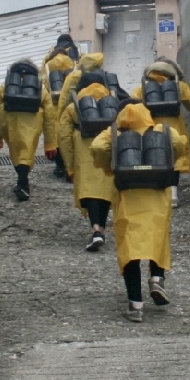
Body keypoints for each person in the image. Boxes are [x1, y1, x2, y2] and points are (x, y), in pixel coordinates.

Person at [90, 99, 188, 322]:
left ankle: (135, 305)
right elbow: (179, 144)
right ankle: (157, 279)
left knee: (130, 250)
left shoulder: (114, 133)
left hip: (128, 197)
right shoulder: (162, 130)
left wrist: (109, 165)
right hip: (157, 196)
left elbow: (97, 148)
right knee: (157, 239)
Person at [132, 57, 190, 207]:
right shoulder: (178, 85)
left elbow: (132, 105)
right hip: (173, 125)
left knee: (154, 154)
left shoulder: (143, 87)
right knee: (174, 157)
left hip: (151, 126)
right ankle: (173, 194)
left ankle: (156, 192)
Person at [57, 70, 116, 252]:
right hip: (106, 152)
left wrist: (69, 165)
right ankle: (101, 229)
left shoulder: (73, 107)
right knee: (104, 193)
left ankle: (96, 229)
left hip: (84, 155)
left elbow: (63, 137)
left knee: (90, 193)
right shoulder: (112, 104)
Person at [0, 59, 58, 201]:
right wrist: (50, 143)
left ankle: (22, 182)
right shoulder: (40, 87)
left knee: (16, 152)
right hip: (32, 121)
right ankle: (22, 182)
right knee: (26, 152)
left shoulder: (5, 85)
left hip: (9, 120)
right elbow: (50, 116)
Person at [43, 50, 76, 179]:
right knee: (69, 137)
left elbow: (44, 85)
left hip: (53, 107)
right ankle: (71, 168)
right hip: (70, 106)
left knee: (55, 137)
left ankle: (60, 166)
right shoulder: (72, 63)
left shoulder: (49, 65)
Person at [57, 52, 106, 119]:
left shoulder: (75, 76)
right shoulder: (103, 76)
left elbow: (65, 98)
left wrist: (60, 115)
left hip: (79, 112)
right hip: (103, 114)